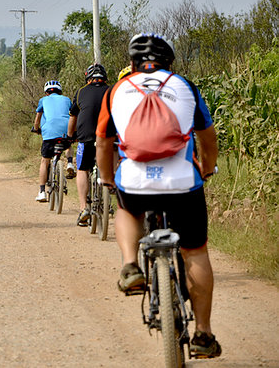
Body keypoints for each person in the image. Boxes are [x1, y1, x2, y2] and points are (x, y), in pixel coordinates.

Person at [96, 32, 221, 358]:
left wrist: (109, 179)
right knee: (195, 253)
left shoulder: (116, 91)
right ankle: (203, 334)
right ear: (170, 60)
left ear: (133, 62)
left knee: (126, 210)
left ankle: (129, 266)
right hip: (183, 184)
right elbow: (208, 138)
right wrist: (206, 169)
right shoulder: (185, 87)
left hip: (135, 182)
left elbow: (103, 143)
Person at [68, 63, 110, 225]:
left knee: (82, 170)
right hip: (108, 137)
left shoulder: (80, 92)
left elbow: (73, 117)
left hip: (86, 137)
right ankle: (111, 192)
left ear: (88, 77)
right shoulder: (113, 90)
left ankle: (83, 207)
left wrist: (70, 136)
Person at [33, 80, 73, 201]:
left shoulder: (43, 100)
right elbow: (72, 114)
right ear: (59, 91)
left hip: (49, 132)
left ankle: (42, 192)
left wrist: (36, 129)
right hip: (66, 129)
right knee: (69, 145)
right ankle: (70, 162)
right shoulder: (66, 99)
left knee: (45, 161)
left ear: (46, 92)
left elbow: (37, 119)